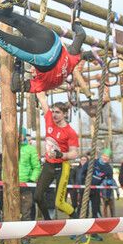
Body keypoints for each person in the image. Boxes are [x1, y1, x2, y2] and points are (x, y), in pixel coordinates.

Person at [34, 91, 79, 221]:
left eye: (57, 112)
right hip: (49, 165)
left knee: (60, 204)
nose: (54, 114)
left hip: (62, 166)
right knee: (37, 196)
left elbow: (74, 153)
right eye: (53, 111)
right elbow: (42, 98)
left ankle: (78, 223)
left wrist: (62, 154)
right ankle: (48, 220)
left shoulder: (70, 132)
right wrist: (38, 77)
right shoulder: (49, 119)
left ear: (64, 114)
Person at [18, 128, 40, 244]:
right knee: (11, 213)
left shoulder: (30, 149)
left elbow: (36, 166)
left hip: (25, 185)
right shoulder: (10, 149)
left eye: (20, 134)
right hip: (11, 185)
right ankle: (13, 236)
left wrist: (31, 180)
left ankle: (25, 238)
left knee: (26, 212)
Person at [100, 149, 117, 218]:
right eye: (104, 156)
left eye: (107, 156)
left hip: (109, 191)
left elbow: (112, 180)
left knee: (112, 208)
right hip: (102, 191)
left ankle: (113, 219)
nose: (105, 158)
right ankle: (104, 220)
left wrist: (117, 191)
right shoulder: (98, 165)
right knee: (104, 208)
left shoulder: (109, 167)